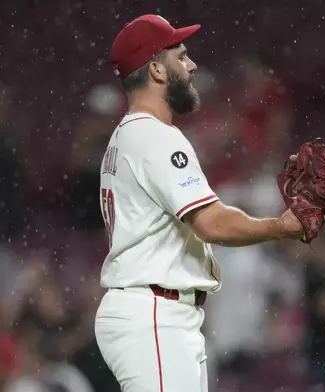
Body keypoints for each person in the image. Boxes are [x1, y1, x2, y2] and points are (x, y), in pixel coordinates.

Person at [93, 14, 303, 392]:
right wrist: (282, 226)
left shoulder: (128, 136)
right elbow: (212, 223)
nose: (191, 65)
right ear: (157, 69)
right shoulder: (155, 137)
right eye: (182, 55)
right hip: (153, 313)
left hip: (152, 312)